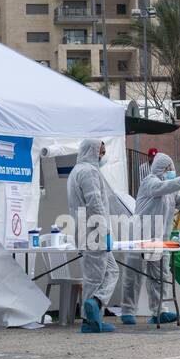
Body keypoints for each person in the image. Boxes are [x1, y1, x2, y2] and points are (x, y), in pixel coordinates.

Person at [121, 152, 180, 324]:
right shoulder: (150, 182)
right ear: (159, 169)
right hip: (140, 236)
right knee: (133, 276)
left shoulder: (172, 191)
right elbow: (162, 187)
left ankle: (159, 311)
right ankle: (128, 311)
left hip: (160, 239)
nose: (171, 171)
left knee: (160, 276)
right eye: (168, 168)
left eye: (172, 168)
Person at [67, 138, 119, 333]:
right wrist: (104, 231)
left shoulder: (76, 171)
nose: (102, 156)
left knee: (112, 271)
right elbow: (95, 203)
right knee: (95, 277)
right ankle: (90, 321)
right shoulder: (89, 172)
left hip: (83, 229)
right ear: (92, 151)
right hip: (93, 230)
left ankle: (96, 302)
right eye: (101, 152)